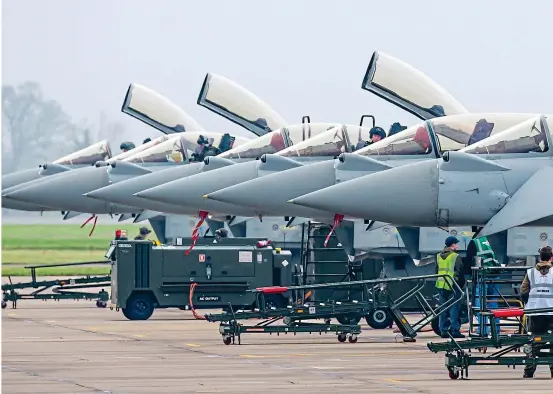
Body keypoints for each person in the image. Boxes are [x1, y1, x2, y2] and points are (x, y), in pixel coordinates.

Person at [520, 245, 553, 378]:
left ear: (540, 257)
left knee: (534, 340)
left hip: (535, 312)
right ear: (551, 257)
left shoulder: (530, 272)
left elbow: (523, 291)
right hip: (551, 312)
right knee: (552, 341)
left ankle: (529, 370)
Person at [467, 236, 502, 336]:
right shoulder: (486, 241)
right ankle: (496, 331)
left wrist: (467, 276)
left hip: (483, 276)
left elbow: (469, 260)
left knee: (480, 305)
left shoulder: (473, 243)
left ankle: (483, 331)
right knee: (493, 305)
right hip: (494, 275)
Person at [435, 235, 465, 338]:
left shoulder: (438, 256)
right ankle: (455, 330)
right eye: (456, 243)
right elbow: (460, 272)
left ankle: (443, 330)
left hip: (441, 286)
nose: (457, 245)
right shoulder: (455, 256)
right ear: (452, 245)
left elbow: (436, 271)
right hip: (452, 285)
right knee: (454, 308)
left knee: (443, 309)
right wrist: (461, 286)